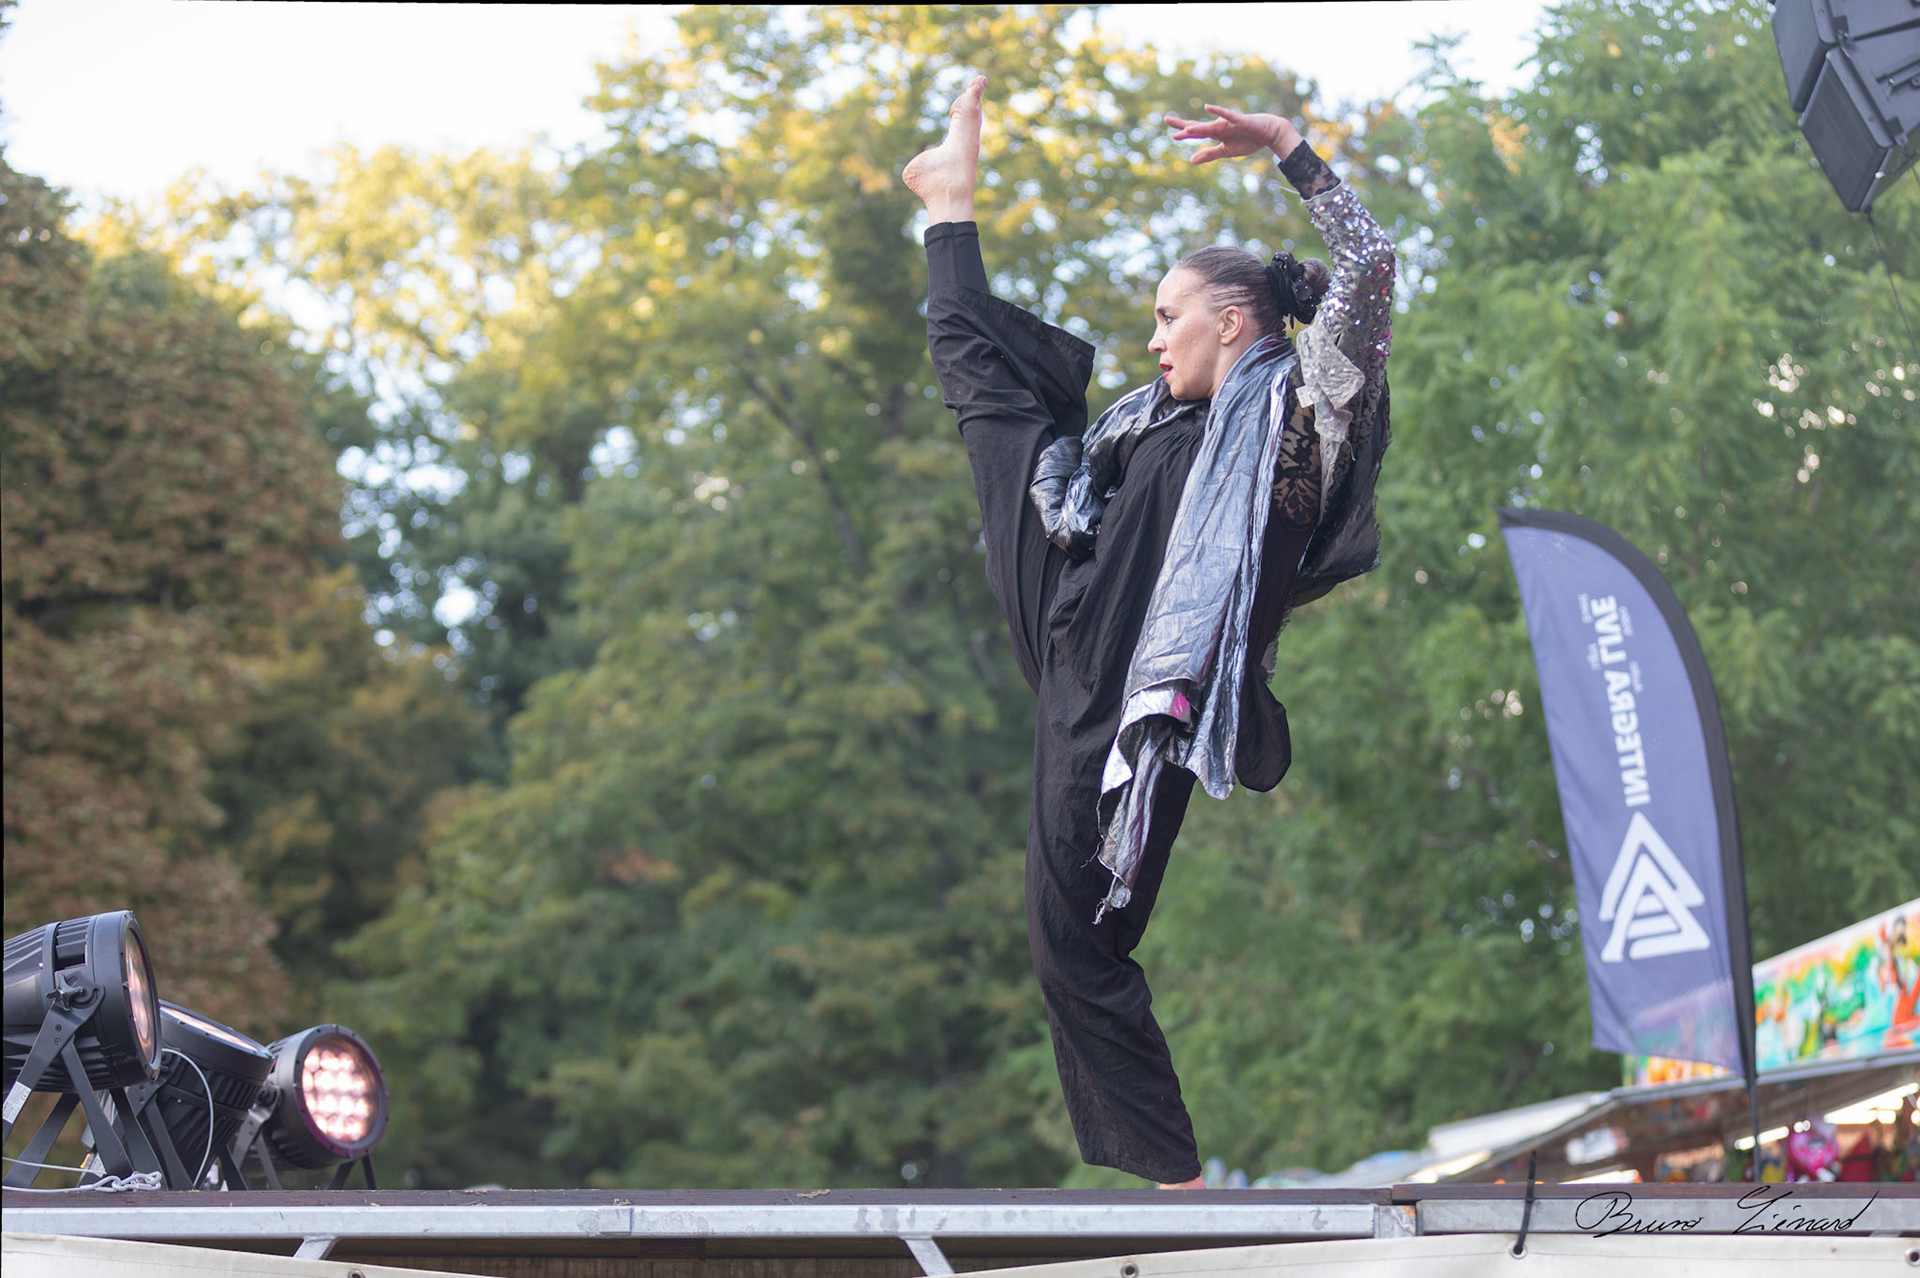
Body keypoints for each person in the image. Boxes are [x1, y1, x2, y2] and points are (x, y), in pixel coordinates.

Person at [904, 76, 1393, 1188]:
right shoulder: (1156, 421)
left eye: (1171, 317)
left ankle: (1180, 1182)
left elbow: (1370, 267)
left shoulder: (1298, 417)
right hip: (1068, 595)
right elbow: (1076, 464)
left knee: (1070, 942)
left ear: (1235, 322)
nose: (1155, 338)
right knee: (998, 408)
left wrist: (1289, 147)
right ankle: (949, 206)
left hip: (1131, 694)